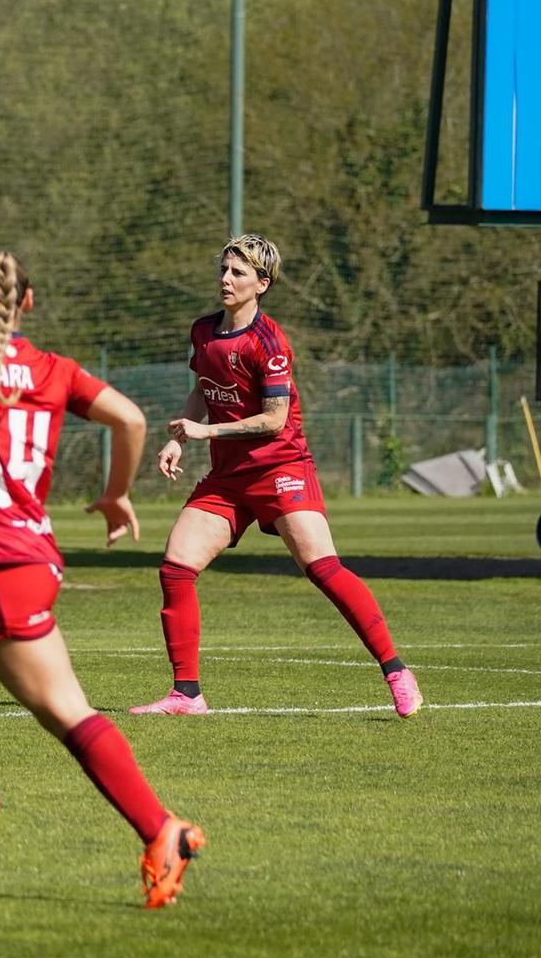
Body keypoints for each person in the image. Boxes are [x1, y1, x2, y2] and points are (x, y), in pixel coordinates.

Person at [0, 252, 205, 909]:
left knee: (67, 714)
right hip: (11, 560)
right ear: (27, 303)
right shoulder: (53, 369)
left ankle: (163, 829)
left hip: (0, 572)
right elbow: (132, 419)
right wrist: (115, 496)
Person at [130, 234, 423, 718]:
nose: (226, 279)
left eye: (238, 273)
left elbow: (274, 419)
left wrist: (206, 431)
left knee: (323, 569)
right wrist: (178, 437)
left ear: (262, 284)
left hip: (280, 468)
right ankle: (187, 694)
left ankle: (396, 671)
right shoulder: (203, 330)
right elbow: (201, 388)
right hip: (228, 477)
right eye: (224, 269)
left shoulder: (269, 342)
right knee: (176, 567)